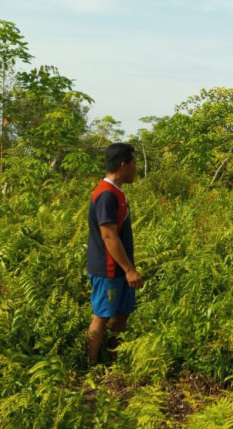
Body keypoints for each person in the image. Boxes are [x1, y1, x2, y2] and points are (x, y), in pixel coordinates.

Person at [86, 143, 143, 364]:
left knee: (121, 315)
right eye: (134, 164)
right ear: (123, 165)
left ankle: (113, 362)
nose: (135, 168)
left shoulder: (117, 193)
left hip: (121, 268)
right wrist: (129, 269)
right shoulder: (106, 195)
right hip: (109, 268)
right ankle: (90, 366)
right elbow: (108, 236)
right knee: (102, 315)